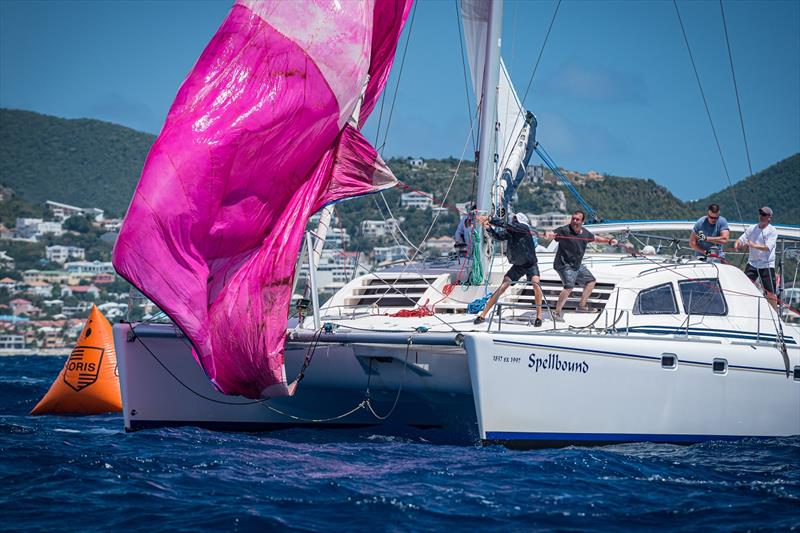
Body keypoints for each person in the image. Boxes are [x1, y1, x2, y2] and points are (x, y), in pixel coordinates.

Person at [472, 212, 543, 327]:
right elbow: (498, 237)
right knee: (503, 286)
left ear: (520, 221)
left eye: (515, 219)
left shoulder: (524, 228)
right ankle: (483, 315)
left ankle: (539, 316)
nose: (513, 220)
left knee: (536, 284)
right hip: (518, 265)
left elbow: (507, 225)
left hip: (530, 264)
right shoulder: (511, 231)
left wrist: (489, 218)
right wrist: (489, 228)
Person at [549, 210, 617, 320]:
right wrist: (549, 235)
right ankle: (556, 313)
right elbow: (552, 234)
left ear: (582, 221)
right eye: (573, 219)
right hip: (563, 264)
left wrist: (609, 242)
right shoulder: (564, 230)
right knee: (569, 286)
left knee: (591, 281)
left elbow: (596, 239)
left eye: (577, 219)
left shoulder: (585, 233)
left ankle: (582, 306)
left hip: (576, 265)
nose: (574, 221)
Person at [735, 206, 778, 309]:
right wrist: (737, 244)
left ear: (769, 217)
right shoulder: (752, 228)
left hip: (766, 265)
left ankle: (775, 315)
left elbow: (768, 247)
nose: (761, 216)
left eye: (764, 215)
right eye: (760, 214)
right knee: (744, 287)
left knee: (770, 293)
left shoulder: (772, 230)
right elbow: (741, 239)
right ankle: (744, 309)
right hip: (752, 263)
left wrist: (753, 245)